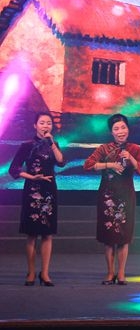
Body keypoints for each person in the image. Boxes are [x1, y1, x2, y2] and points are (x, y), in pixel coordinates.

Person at [83, 113, 140, 285]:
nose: (120, 131)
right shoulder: (104, 149)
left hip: (126, 196)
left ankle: (122, 272)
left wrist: (130, 158)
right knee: (109, 237)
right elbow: (87, 165)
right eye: (116, 129)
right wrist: (109, 165)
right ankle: (110, 273)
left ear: (128, 129)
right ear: (111, 132)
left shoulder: (134, 148)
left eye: (123, 127)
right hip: (107, 197)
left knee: (124, 237)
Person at [9, 111, 66, 287]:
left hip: (49, 190)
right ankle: (31, 272)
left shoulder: (54, 144)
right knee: (32, 234)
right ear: (35, 125)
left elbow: (61, 162)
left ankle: (45, 273)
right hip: (32, 190)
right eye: (42, 123)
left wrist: (53, 143)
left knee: (47, 234)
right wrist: (32, 177)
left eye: (48, 123)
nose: (45, 126)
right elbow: (14, 169)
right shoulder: (27, 145)